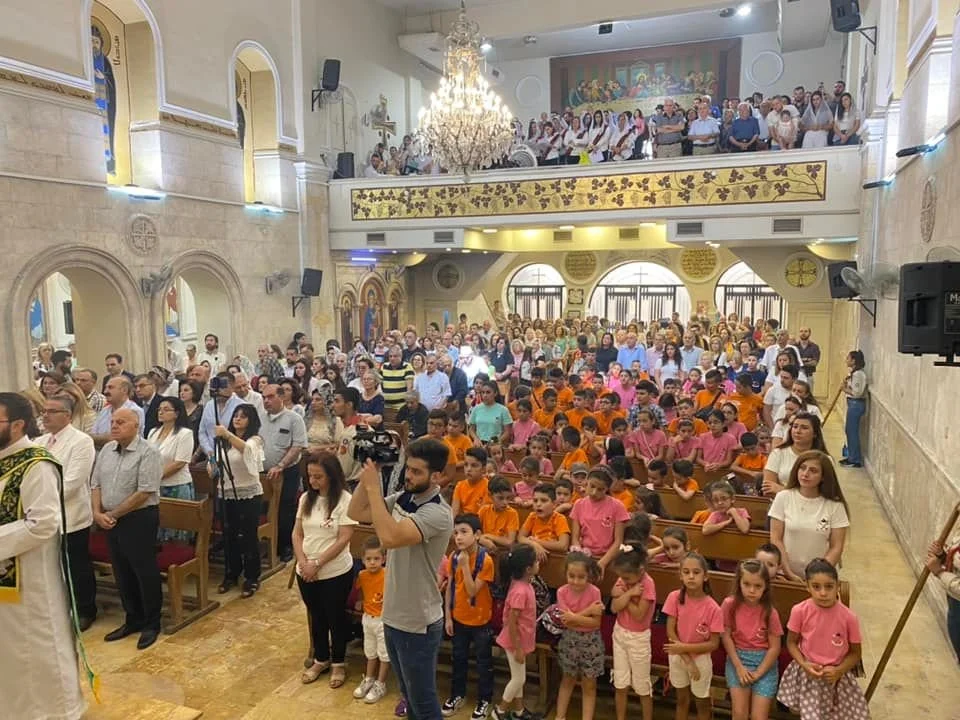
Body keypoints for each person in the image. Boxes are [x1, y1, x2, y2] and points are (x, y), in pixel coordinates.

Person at [347, 439, 455, 720]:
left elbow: (390, 538)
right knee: (408, 696)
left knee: (424, 702)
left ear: (436, 476)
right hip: (393, 614)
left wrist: (373, 486)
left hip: (417, 621)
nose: (409, 476)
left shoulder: (437, 512)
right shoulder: (404, 498)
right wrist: (370, 471)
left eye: (417, 472)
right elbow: (356, 513)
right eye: (408, 469)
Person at [0, 392, 86, 719]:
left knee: (35, 647)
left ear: (18, 424)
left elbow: (44, 523)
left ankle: (54, 712)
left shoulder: (36, 463)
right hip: (6, 578)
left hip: (31, 577)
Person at [90, 408, 164, 650]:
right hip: (109, 519)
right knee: (121, 571)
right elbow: (95, 483)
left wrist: (111, 514)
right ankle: (132, 619)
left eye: (121, 422)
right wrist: (97, 513)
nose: (114, 426)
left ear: (136, 426)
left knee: (144, 571)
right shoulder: (107, 451)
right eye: (112, 422)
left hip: (139, 518)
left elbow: (145, 490)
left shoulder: (148, 452)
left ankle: (152, 623)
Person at [777, 559, 870, 719]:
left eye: (829, 586)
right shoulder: (799, 611)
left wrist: (838, 671)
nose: (823, 593)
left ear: (837, 586)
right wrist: (804, 664)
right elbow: (791, 643)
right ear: (807, 586)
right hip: (808, 675)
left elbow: (856, 653)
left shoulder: (849, 618)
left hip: (837, 678)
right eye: (816, 587)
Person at [295, 452, 358, 689]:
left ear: (331, 476)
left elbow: (344, 538)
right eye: (310, 476)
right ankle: (321, 658)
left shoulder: (344, 499)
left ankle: (339, 662)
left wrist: (317, 563)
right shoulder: (305, 499)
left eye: (318, 476)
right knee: (317, 615)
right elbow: (297, 533)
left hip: (335, 571)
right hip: (307, 569)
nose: (313, 481)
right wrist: (303, 562)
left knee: (335, 616)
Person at [37, 392, 98, 629]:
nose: (45, 416)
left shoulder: (81, 441)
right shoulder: (40, 441)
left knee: (76, 564)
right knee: (51, 565)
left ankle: (86, 609)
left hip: (71, 515)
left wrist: (40, 496)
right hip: (44, 515)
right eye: (44, 411)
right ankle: (59, 606)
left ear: (67, 415)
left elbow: (72, 482)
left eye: (52, 411)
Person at [441, 514, 495, 719]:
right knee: (459, 658)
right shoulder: (454, 556)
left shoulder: (485, 560)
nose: (459, 537)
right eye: (456, 533)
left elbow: (472, 591)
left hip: (480, 620)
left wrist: (464, 565)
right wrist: (448, 616)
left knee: (483, 662)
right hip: (459, 617)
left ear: (478, 535)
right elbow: (450, 588)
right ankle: (457, 695)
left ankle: (485, 699)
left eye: (464, 532)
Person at [769, 450, 850, 580]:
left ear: (823, 476)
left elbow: (836, 547)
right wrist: (788, 572)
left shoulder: (835, 506)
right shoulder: (783, 497)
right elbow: (776, 539)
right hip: (785, 574)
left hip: (820, 579)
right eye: (802, 468)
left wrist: (817, 577)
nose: (805, 474)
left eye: (813, 471)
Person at [663, 552, 723, 720]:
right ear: (680, 575)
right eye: (686, 572)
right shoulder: (674, 597)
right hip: (679, 656)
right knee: (681, 700)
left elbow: (713, 644)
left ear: (705, 576)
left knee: (702, 703)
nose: (691, 576)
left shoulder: (713, 608)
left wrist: (686, 650)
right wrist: (686, 658)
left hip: (701, 660)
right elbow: (670, 631)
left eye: (696, 572)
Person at [721, 559, 783, 720]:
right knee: (739, 713)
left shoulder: (770, 612)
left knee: (758, 717)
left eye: (758, 586)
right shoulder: (729, 604)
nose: (752, 590)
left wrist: (759, 673)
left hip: (764, 664)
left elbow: (775, 647)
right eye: (747, 584)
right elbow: (725, 635)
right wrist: (739, 667)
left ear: (765, 587)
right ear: (739, 583)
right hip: (738, 660)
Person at [215, 404, 265, 597]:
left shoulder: (255, 439)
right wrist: (213, 465)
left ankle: (252, 576)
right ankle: (231, 574)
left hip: (248, 493)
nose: (237, 419)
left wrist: (226, 434)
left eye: (243, 416)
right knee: (229, 535)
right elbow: (218, 460)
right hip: (226, 491)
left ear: (250, 420)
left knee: (248, 536)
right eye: (236, 415)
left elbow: (248, 452)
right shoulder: (225, 441)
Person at [554, 552, 605, 720]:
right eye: (571, 576)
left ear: (589, 575)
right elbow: (566, 623)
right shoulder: (561, 592)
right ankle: (560, 716)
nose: (575, 581)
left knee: (589, 685)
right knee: (567, 679)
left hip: (591, 642)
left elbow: (595, 623)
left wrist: (574, 617)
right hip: (570, 641)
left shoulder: (595, 592)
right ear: (566, 574)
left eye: (581, 577)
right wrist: (588, 612)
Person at [260, 384, 308, 562]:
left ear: (281, 397)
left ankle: (285, 546)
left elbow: (298, 445)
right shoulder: (260, 418)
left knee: (285, 509)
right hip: (264, 474)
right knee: (266, 508)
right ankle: (269, 545)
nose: (266, 400)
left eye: (270, 397)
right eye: (264, 397)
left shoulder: (294, 418)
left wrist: (280, 465)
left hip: (286, 472)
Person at [610, 539, 657, 720]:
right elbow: (614, 605)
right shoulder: (625, 579)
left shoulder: (648, 584)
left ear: (641, 571)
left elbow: (638, 614)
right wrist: (629, 593)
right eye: (621, 577)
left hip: (639, 638)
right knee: (620, 684)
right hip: (619, 633)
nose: (623, 580)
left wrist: (623, 597)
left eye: (627, 578)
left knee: (642, 686)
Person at [492, 543, 539, 720]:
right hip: (515, 641)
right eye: (536, 562)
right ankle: (500, 710)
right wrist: (518, 648)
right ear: (528, 569)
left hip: (520, 639)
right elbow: (512, 622)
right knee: (519, 679)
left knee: (518, 676)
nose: (538, 564)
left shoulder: (521, 585)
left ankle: (519, 711)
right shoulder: (520, 591)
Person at [147, 396, 196, 542]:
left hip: (176, 485)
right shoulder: (153, 432)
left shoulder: (184, 434)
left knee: (176, 530)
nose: (161, 412)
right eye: (159, 409)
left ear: (177, 413)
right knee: (158, 527)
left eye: (166, 409)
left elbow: (179, 462)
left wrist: (155, 476)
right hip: (156, 487)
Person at [353, 535, 391, 704]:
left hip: (383, 619)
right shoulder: (362, 575)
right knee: (370, 651)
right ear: (363, 560)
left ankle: (380, 683)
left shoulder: (388, 574)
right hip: (368, 618)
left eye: (376, 558)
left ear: (383, 559)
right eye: (369, 559)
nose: (373, 562)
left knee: (384, 653)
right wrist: (360, 600)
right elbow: (360, 590)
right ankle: (369, 678)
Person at [570, 466, 630, 571]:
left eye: (600, 489)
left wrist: (602, 563)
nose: (594, 492)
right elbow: (575, 537)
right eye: (591, 486)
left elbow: (618, 541)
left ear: (607, 488)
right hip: (585, 557)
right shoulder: (579, 504)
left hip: (608, 558)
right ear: (587, 482)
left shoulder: (617, 506)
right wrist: (580, 555)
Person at [762, 412, 831, 495]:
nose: (798, 431)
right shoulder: (778, 453)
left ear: (815, 434)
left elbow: (825, 492)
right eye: (795, 427)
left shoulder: (825, 459)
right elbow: (768, 488)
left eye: (804, 428)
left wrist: (782, 490)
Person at [841, 350, 867, 468]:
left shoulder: (858, 375)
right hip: (853, 404)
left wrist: (845, 389)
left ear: (854, 360)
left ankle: (855, 459)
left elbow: (857, 393)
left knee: (852, 431)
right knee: (849, 430)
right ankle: (852, 456)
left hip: (856, 404)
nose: (846, 360)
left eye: (848, 358)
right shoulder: (854, 373)